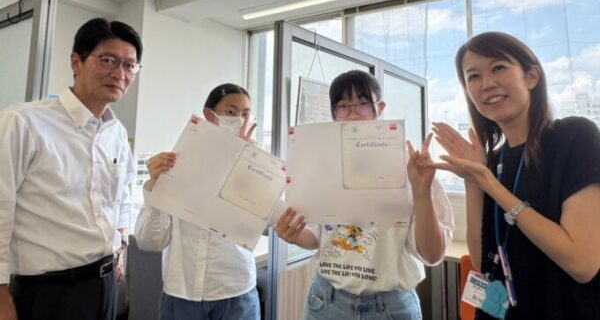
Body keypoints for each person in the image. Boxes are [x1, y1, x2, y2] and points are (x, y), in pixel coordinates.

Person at [432, 31, 600, 319]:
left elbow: (582, 264)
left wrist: (491, 185)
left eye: (498, 67)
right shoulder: (492, 160)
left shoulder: (575, 137)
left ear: (531, 76)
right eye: (473, 76)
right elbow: (481, 260)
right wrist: (473, 180)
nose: (487, 84)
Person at [275, 70, 454, 320]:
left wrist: (422, 192)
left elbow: (432, 254)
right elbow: (316, 236)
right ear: (333, 114)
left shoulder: (414, 168)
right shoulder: (321, 166)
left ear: (380, 108)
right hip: (326, 302)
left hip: (391, 308)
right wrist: (293, 235)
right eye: (343, 107)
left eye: (362, 104)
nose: (353, 114)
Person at [0, 18, 142, 320]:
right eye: (107, 60)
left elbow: (122, 197)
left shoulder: (116, 133)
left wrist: (121, 242)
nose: (120, 74)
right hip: (49, 291)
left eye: (130, 66)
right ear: (76, 62)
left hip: (107, 284)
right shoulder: (24, 122)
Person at [135, 83, 262, 320]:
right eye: (231, 112)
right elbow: (150, 241)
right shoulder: (175, 165)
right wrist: (155, 186)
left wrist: (250, 167)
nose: (240, 120)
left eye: (246, 114)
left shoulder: (256, 167)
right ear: (209, 115)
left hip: (237, 293)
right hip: (183, 296)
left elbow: (269, 224)